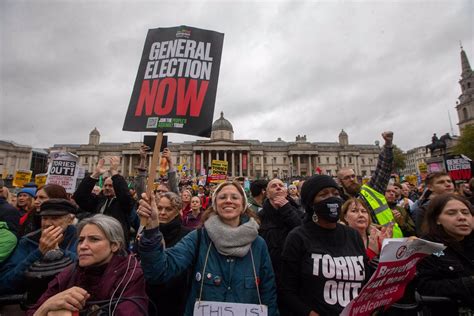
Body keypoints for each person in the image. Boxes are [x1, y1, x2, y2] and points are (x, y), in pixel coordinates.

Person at [137, 181, 279, 316]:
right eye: (222, 197)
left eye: (235, 197)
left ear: (243, 205)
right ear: (215, 204)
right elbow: (160, 271)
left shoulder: (258, 244)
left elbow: (268, 293)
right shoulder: (198, 238)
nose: (228, 200)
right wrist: (152, 230)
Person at [280, 175, 370, 316]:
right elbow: (286, 290)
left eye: (335, 194)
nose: (332, 198)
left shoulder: (353, 235)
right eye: (323, 195)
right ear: (311, 203)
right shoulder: (297, 237)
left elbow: (366, 280)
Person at [28, 214, 148, 315]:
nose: (83, 246)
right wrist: (47, 306)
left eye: (94, 239)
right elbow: (34, 311)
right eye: (80, 240)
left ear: (114, 245)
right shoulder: (70, 272)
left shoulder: (131, 274)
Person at [0, 199, 78, 295]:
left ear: (70, 220)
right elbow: (6, 283)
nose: (48, 223)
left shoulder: (81, 239)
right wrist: (39, 252)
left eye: (55, 218)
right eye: (44, 218)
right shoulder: (28, 241)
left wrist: (58, 251)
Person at [415, 193, 474, 315]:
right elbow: (426, 287)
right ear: (437, 219)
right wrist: (469, 283)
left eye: (465, 212)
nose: (462, 217)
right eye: (451, 213)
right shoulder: (426, 247)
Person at [73, 156, 134, 244]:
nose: (107, 188)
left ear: (116, 186)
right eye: (105, 185)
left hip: (115, 242)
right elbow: (79, 197)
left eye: (110, 186)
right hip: (96, 241)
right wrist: (95, 175)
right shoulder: (99, 201)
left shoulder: (123, 204)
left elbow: (125, 196)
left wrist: (114, 173)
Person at [258, 178, 302, 293]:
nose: (278, 187)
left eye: (281, 185)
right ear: (267, 194)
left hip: (295, 274)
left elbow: (303, 234)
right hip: (268, 273)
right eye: (273, 186)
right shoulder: (259, 217)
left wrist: (287, 209)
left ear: (286, 192)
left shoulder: (299, 212)